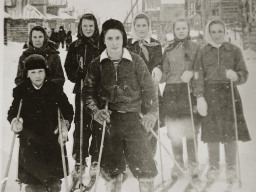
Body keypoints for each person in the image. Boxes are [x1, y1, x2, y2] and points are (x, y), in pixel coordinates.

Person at [83, 19, 158, 192]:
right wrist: (96, 112)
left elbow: (149, 89)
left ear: (123, 38)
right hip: (109, 120)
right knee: (111, 168)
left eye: (118, 38)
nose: (114, 43)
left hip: (134, 118)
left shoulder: (136, 61)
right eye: (110, 38)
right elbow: (87, 93)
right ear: (104, 40)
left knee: (144, 164)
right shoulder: (97, 64)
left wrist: (151, 114)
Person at [193, 19, 251, 185]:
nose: (217, 35)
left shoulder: (234, 50)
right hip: (210, 94)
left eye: (220, 31)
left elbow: (244, 73)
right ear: (208, 33)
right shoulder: (203, 51)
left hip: (229, 94)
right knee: (212, 132)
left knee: (229, 131)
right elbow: (197, 75)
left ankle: (232, 166)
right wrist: (199, 96)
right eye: (213, 32)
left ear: (225, 32)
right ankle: (214, 165)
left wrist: (236, 76)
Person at [7, 54, 74, 192]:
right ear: (27, 74)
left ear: (45, 72)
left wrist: (65, 123)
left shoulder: (54, 88)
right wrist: (15, 121)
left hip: (52, 140)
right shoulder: (21, 90)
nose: (37, 75)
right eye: (33, 72)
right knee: (33, 181)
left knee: (53, 180)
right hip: (30, 141)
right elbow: (13, 111)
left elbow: (67, 110)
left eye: (40, 71)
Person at [160, 18, 202, 180]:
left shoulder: (196, 48)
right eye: (178, 28)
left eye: (184, 28)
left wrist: (192, 73)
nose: (181, 31)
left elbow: (201, 70)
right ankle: (178, 163)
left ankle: (192, 163)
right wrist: (158, 75)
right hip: (172, 91)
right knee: (175, 130)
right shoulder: (169, 49)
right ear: (174, 30)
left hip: (188, 91)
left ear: (188, 29)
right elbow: (165, 71)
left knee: (191, 129)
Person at [64, 13, 100, 177]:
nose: (88, 29)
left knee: (98, 124)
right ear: (80, 27)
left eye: (91, 26)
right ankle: (80, 159)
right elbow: (68, 67)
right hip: (81, 89)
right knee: (81, 125)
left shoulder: (101, 44)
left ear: (95, 27)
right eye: (85, 26)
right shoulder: (75, 46)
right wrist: (76, 74)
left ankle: (96, 159)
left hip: (99, 92)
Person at [127, 13, 163, 156]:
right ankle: (134, 158)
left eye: (144, 25)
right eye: (138, 25)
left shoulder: (155, 44)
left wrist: (158, 69)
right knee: (134, 121)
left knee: (151, 120)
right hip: (133, 89)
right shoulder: (128, 44)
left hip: (150, 88)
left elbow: (159, 62)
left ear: (149, 27)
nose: (141, 29)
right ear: (134, 27)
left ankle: (150, 156)